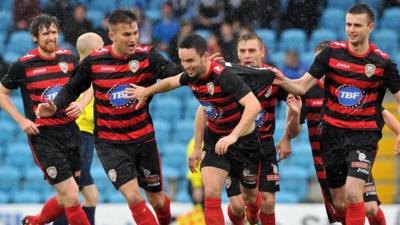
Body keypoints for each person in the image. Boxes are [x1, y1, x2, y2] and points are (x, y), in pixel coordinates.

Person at [36, 9, 182, 225]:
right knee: (133, 196)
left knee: (158, 200)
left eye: (135, 33)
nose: (133, 38)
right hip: (110, 143)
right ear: (112, 36)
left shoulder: (147, 56)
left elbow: (179, 76)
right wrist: (55, 106)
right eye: (126, 35)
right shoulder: (95, 61)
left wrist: (149, 90)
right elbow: (71, 89)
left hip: (143, 139)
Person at [127, 33, 280, 225]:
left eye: (191, 60)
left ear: (205, 57)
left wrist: (233, 136)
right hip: (216, 140)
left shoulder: (223, 76)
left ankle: (254, 217)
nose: (187, 66)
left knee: (250, 198)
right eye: (183, 61)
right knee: (212, 192)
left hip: (244, 143)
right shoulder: (192, 75)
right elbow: (172, 83)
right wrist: (146, 91)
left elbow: (254, 106)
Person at [272, 4, 400, 225]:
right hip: (331, 137)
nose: (351, 29)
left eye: (357, 25)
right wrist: (281, 80)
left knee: (354, 194)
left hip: (363, 137)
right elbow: (302, 86)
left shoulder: (382, 63)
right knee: (340, 204)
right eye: (348, 24)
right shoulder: (331, 54)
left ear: (370, 27)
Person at [0, 14, 90, 225]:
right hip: (44, 137)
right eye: (45, 33)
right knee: (72, 195)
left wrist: (82, 104)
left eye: (54, 32)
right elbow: (2, 93)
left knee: (70, 193)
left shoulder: (69, 58)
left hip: (70, 132)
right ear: (34, 37)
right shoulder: (23, 65)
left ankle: (34, 222)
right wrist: (22, 121)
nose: (51, 37)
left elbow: (92, 83)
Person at [221, 32, 302, 225]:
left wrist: (287, 137)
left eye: (252, 50)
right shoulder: (227, 77)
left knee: (268, 201)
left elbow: (297, 96)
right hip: (236, 146)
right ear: (238, 55)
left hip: (264, 145)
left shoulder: (272, 77)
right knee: (239, 206)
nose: (247, 55)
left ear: (262, 52)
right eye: (243, 51)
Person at [53, 32, 104, 225]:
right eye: (101, 48)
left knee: (91, 195)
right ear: (94, 51)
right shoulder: (85, 73)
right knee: (72, 192)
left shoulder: (77, 71)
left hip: (84, 134)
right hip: (80, 135)